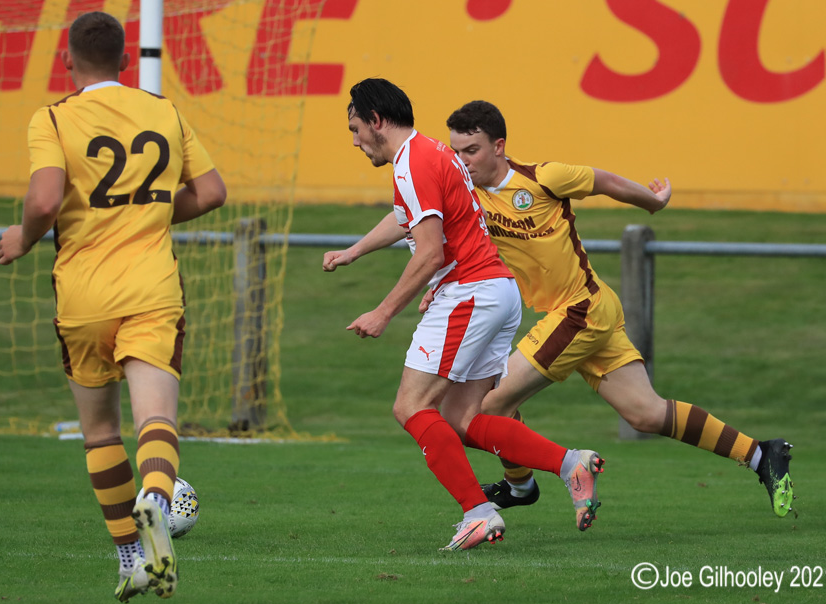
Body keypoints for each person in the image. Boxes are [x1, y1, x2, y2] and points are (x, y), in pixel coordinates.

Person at [442, 100, 794, 521]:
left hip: (580, 311)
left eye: (471, 150)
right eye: (456, 152)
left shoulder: (542, 177)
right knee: (646, 413)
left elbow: (603, 181)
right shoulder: (468, 193)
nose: (462, 161)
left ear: (499, 146)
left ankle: (521, 486)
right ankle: (761, 454)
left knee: (488, 405)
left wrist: (653, 202)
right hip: (587, 311)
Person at [0, 12, 226, 601]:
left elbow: (45, 200)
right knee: (157, 419)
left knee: (100, 434)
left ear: (67, 60)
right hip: (151, 289)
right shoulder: (163, 111)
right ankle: (156, 497)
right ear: (126, 62)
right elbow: (211, 191)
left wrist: (22, 238)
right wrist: (144, 213)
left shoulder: (52, 118)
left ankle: (128, 557)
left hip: (83, 294)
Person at [323, 78, 606, 551]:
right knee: (463, 419)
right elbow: (404, 219)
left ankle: (478, 513)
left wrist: (383, 312)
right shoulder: (428, 152)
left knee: (410, 407)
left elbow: (430, 252)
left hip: (470, 292)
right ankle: (569, 463)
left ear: (376, 121)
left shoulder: (411, 163)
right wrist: (355, 251)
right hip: (495, 290)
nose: (354, 141)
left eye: (355, 129)